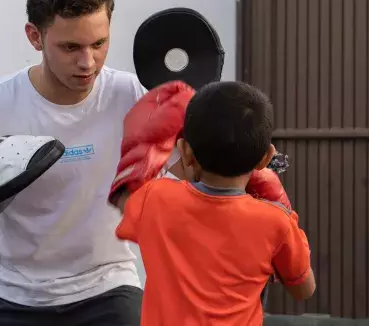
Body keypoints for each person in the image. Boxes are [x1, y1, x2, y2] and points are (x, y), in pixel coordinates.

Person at [0, 0, 184, 325]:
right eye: (70, 47)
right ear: (35, 36)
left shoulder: (132, 94)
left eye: (99, 43)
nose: (88, 62)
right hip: (13, 292)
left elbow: (199, 172)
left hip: (108, 287)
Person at [109, 80, 316, 325]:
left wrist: (142, 143)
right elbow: (303, 289)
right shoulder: (277, 222)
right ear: (266, 158)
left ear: (185, 151)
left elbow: (124, 199)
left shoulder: (155, 198)